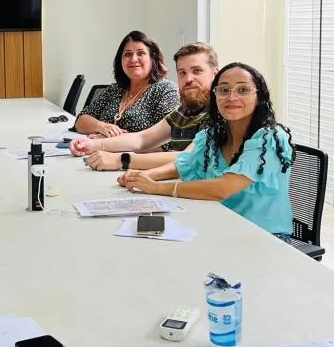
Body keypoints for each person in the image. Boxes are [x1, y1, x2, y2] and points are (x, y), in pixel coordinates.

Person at [118, 62, 295, 241]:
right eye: (224, 90)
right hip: (221, 228)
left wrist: (156, 188)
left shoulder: (269, 138)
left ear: (259, 97)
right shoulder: (213, 135)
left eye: (243, 90)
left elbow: (223, 188)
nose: (232, 97)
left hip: (266, 238)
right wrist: (142, 177)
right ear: (215, 95)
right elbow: (183, 165)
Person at [71, 42, 219, 171]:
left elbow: (188, 158)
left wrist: (121, 160)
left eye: (197, 71)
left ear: (215, 74)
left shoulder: (219, 111)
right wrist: (94, 144)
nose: (188, 79)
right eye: (182, 73)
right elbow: (142, 139)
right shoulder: (184, 111)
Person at [73, 30, 179, 138]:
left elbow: (169, 142)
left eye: (141, 53)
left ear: (153, 59)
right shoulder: (115, 89)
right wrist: (102, 127)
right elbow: (80, 121)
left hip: (130, 154)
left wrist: (112, 141)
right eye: (128, 54)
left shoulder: (166, 90)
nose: (133, 59)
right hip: (98, 152)